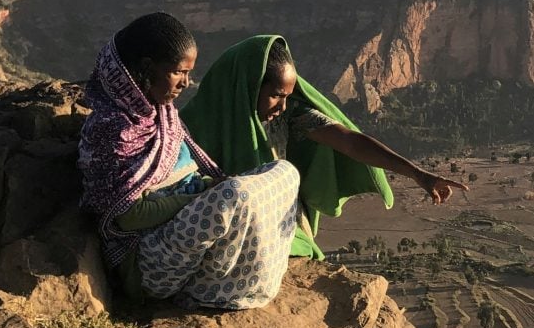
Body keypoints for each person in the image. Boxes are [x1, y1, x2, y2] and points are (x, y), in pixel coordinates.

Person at [78, 13, 301, 309]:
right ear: (146, 69)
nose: (186, 82)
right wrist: (202, 196)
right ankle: (209, 290)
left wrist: (208, 187)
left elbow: (186, 175)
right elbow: (129, 216)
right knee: (234, 196)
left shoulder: (161, 113)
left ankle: (232, 276)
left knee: (286, 172)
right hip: (147, 259)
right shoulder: (113, 130)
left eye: (188, 73)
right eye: (178, 72)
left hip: (181, 233)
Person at [181, 34, 466, 259]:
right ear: (247, 86)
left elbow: (348, 141)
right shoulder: (191, 125)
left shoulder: (291, 115)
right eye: (276, 96)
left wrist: (418, 174)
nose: (283, 106)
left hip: (278, 226)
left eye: (288, 97)